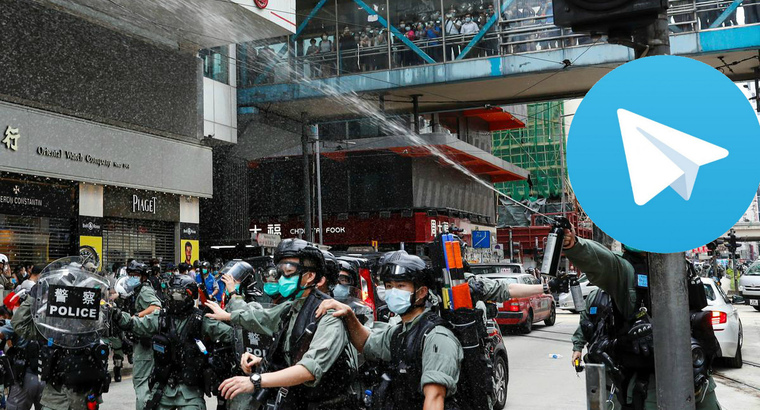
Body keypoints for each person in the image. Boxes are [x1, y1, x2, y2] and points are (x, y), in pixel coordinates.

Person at [315, 250, 559, 410]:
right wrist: (348, 315)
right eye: (388, 286)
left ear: (422, 292)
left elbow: (434, 400)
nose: (391, 292)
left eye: (400, 286)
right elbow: (367, 345)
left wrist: (544, 288)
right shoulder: (401, 331)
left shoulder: (436, 337)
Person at [561, 225, 721, 409]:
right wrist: (574, 245)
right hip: (653, 384)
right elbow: (600, 261)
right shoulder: (625, 270)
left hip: (697, 374)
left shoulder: (680, 262)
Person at [204, 238, 359, 409]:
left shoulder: (329, 315)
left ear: (310, 276)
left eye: (289, 272)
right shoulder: (294, 307)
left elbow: (308, 369)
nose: (282, 278)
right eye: (281, 272)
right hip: (299, 402)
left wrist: (256, 380)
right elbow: (262, 318)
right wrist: (262, 362)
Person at [112, 274, 233, 409]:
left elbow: (231, 335)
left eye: (179, 295)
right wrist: (117, 315)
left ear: (190, 295)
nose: (174, 298)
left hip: (190, 392)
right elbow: (136, 324)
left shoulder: (201, 320)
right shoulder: (161, 317)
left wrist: (231, 317)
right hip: (162, 389)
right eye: (171, 294)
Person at [12, 256, 111, 410]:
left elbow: (100, 323)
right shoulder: (50, 321)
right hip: (55, 396)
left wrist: (83, 303)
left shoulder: (91, 317)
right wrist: (33, 296)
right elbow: (19, 324)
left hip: (84, 394)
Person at [115, 260, 163, 409]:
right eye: (130, 274)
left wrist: (136, 317)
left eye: (135, 274)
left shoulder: (144, 290)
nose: (132, 277)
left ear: (143, 276)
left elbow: (156, 307)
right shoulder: (133, 290)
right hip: (140, 341)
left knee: (141, 382)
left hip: (145, 343)